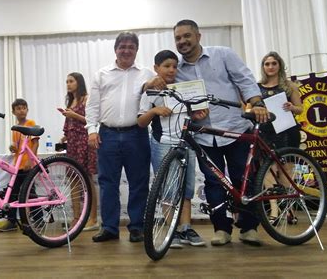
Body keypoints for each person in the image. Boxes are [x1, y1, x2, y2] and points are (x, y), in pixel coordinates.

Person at [173, 19, 269, 246]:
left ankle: (249, 228)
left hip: (235, 128)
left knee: (242, 178)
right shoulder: (176, 69)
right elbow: (167, 86)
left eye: (187, 36)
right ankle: (221, 229)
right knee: (213, 183)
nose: (182, 41)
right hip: (205, 135)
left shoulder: (223, 54)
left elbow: (245, 80)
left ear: (198, 36)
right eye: (178, 38)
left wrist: (256, 103)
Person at [86, 31, 154, 243]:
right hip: (107, 135)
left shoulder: (147, 74)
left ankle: (136, 227)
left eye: (131, 47)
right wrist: (91, 129)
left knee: (139, 183)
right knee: (107, 183)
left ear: (136, 50)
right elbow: (93, 105)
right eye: (122, 46)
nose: (126, 50)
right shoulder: (101, 74)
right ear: (115, 49)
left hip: (137, 134)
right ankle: (109, 228)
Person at [138, 50, 206, 248]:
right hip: (163, 143)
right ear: (156, 68)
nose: (171, 70)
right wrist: (153, 110)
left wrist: (197, 115)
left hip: (186, 142)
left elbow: (189, 115)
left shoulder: (184, 88)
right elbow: (141, 122)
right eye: (167, 66)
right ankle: (171, 230)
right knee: (168, 188)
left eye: (175, 66)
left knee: (186, 188)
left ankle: (186, 228)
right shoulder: (149, 92)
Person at [258, 51, 303, 224]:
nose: (270, 67)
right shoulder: (257, 87)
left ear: (279, 65)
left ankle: (289, 209)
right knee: (267, 171)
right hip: (265, 132)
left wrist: (292, 107)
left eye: (273, 63)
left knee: (286, 172)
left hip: (286, 131)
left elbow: (300, 108)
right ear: (263, 67)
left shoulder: (289, 86)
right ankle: (274, 210)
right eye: (267, 64)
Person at [58, 72, 99, 231]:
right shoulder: (71, 101)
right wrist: (65, 136)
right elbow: (70, 125)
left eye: (71, 81)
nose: (68, 84)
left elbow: (92, 121)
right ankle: (76, 219)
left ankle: (93, 219)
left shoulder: (86, 99)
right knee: (72, 179)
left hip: (84, 142)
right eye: (67, 81)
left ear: (79, 82)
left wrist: (73, 114)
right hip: (73, 143)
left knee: (87, 180)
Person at [0, 98, 39, 232]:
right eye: (18, 108)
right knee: (13, 193)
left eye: (23, 107)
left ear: (27, 109)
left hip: (28, 165)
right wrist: (13, 148)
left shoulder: (31, 123)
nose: (21, 110)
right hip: (18, 166)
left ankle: (38, 219)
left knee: (30, 193)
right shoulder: (15, 129)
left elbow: (35, 143)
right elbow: (18, 148)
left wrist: (30, 161)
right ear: (13, 112)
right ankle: (11, 221)